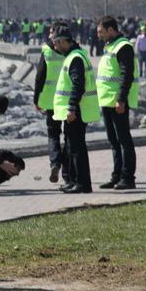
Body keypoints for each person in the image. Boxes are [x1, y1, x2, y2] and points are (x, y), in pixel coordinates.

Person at [50, 26, 100, 194]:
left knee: (77, 149)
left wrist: (71, 107)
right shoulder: (76, 56)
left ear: (64, 41)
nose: (55, 47)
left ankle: (82, 184)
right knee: (72, 148)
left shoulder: (75, 58)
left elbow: (78, 85)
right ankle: (75, 181)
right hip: (77, 110)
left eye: (56, 43)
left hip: (76, 111)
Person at [96, 16, 139, 190]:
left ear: (111, 30)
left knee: (124, 140)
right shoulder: (110, 46)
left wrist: (121, 99)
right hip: (107, 100)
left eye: (101, 32)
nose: (99, 35)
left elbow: (125, 75)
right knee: (113, 141)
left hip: (117, 101)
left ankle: (128, 177)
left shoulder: (124, 47)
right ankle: (116, 175)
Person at [33, 21, 69, 184]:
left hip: (51, 101)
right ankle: (67, 170)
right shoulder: (72, 50)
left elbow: (40, 76)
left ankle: (55, 163)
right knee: (69, 136)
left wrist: (36, 98)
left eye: (51, 31)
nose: (50, 34)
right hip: (69, 99)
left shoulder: (47, 50)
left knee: (53, 134)